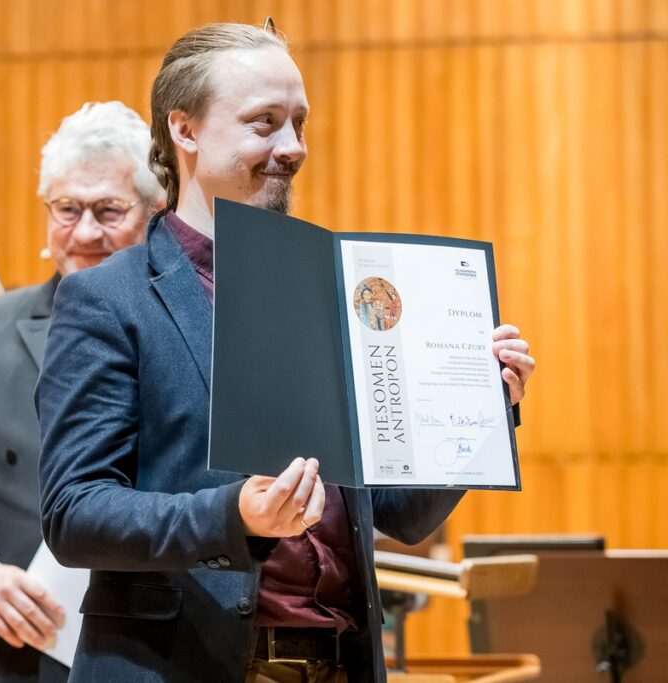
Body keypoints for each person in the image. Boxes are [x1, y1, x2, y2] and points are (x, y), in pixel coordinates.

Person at [35, 24, 535, 683]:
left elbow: (400, 513)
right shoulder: (108, 298)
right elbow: (75, 512)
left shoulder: (333, 286)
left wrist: (480, 407)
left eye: (298, 122)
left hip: (339, 665)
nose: (292, 147)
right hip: (184, 667)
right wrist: (233, 515)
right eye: (264, 122)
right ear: (183, 130)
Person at [0, 101, 165, 683]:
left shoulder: (187, 328)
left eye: (109, 210)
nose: (85, 232)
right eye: (67, 209)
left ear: (153, 212)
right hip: (6, 655)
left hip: (151, 650)